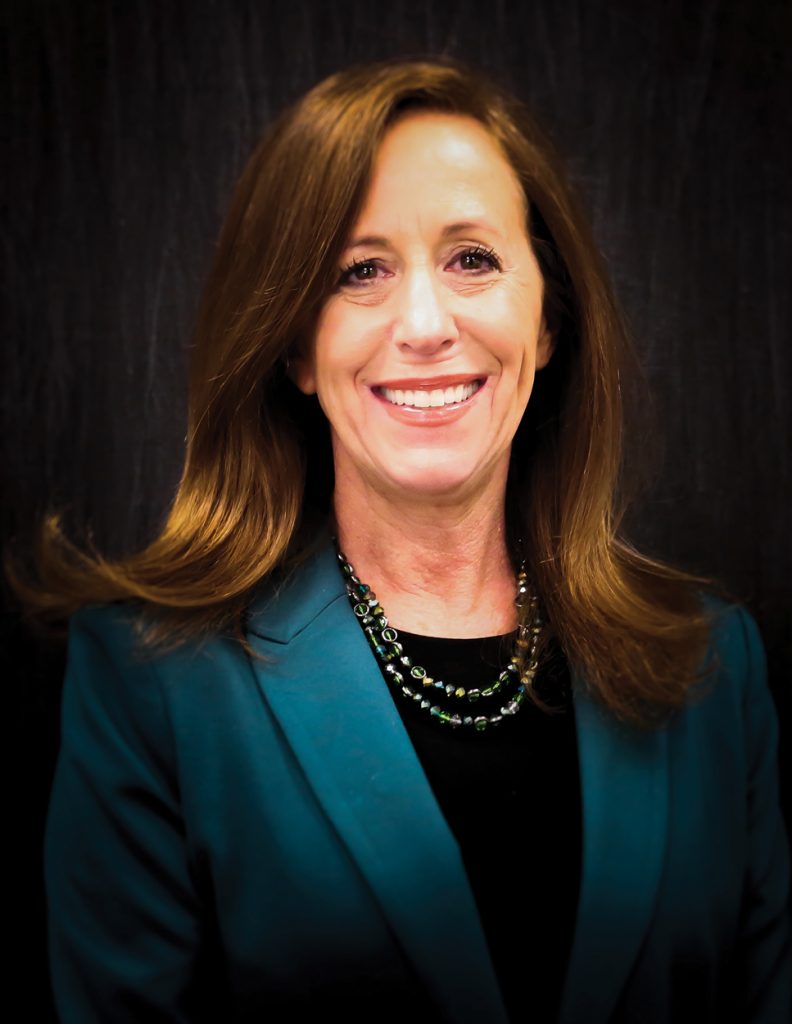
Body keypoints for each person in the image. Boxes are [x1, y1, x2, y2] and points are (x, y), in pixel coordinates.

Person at [12, 57, 790, 1023]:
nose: (424, 324)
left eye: (473, 258)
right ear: (294, 343)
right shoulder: (149, 679)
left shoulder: (715, 665)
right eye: (359, 271)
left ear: (547, 318)